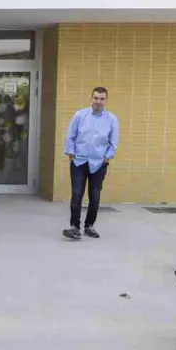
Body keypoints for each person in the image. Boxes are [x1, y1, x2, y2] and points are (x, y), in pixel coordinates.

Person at [62, 87, 120, 241]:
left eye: (101, 99)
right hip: (79, 162)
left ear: (106, 100)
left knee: (94, 197)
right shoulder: (80, 115)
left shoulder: (112, 119)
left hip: (99, 164)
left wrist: (107, 158)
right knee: (76, 195)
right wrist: (71, 154)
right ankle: (75, 227)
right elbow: (70, 135)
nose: (98, 102)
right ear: (91, 98)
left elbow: (113, 142)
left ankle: (89, 226)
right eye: (96, 98)